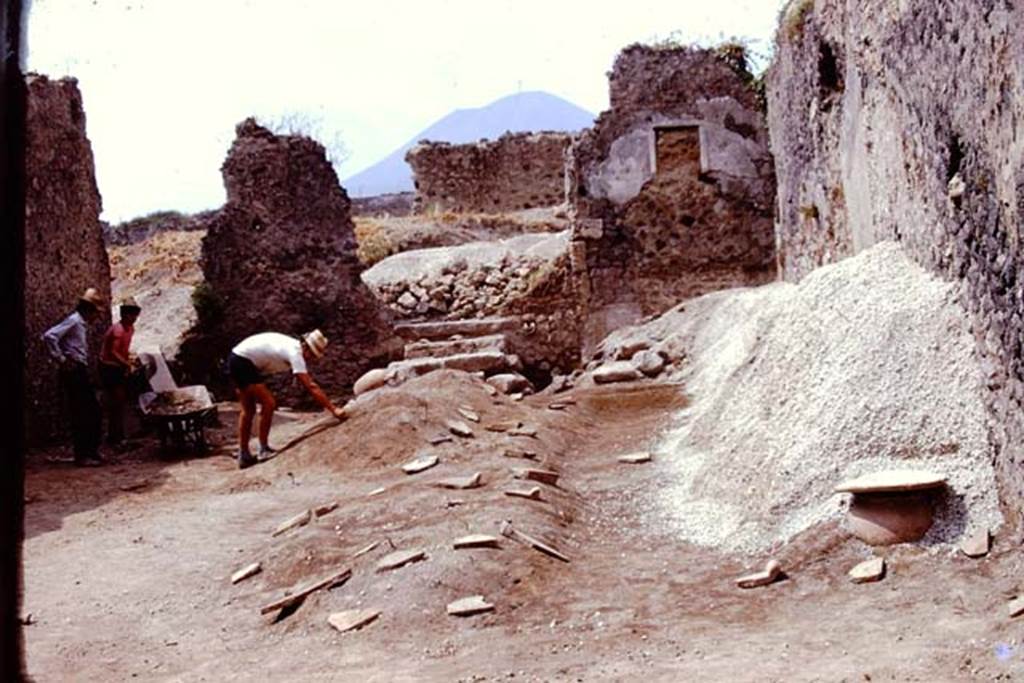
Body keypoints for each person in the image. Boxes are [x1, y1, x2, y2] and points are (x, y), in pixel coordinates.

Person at [226, 329, 346, 469]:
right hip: (243, 362)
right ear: (306, 347)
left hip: (236, 358)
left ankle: (244, 454)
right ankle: (263, 449)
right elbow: (311, 386)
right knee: (268, 403)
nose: (311, 359)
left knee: (248, 410)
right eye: (312, 355)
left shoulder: (292, 346)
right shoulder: (295, 353)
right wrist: (333, 409)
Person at [42, 287, 106, 466]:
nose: (96, 317)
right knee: (82, 412)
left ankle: (91, 451)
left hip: (79, 369)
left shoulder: (80, 323)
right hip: (74, 370)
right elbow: (49, 336)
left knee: (91, 410)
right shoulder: (74, 321)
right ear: (89, 309)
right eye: (96, 313)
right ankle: (83, 455)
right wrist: (62, 359)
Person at [99, 297, 141, 449]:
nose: (134, 317)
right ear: (124, 314)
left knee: (121, 402)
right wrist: (127, 364)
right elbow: (113, 351)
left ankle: (119, 435)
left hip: (118, 366)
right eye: (131, 314)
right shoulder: (118, 329)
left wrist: (128, 360)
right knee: (116, 401)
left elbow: (123, 349)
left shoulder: (130, 329)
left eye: (135, 314)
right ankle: (115, 438)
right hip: (109, 367)